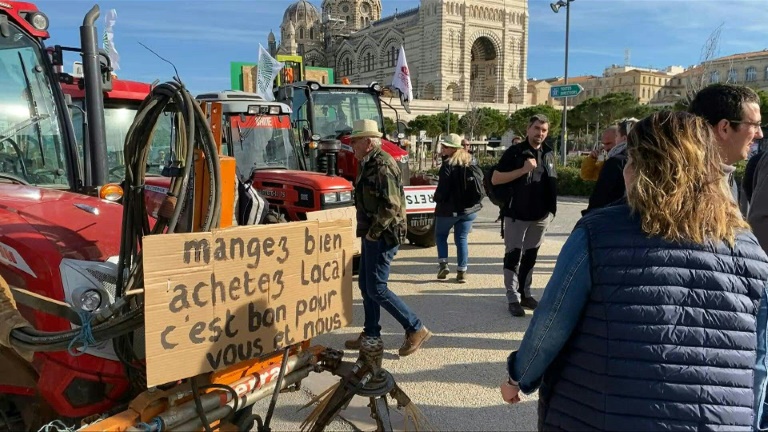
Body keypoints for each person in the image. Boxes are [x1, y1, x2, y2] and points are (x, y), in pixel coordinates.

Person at [499, 111, 768, 431]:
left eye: (630, 160)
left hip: (600, 414)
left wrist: (520, 377)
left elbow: (552, 322)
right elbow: (760, 361)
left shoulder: (597, 233)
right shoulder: (750, 249)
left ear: (641, 169)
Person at [344, 119, 432, 357]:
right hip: (373, 233)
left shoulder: (382, 165)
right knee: (365, 285)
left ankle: (415, 328)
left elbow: (391, 206)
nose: (351, 145)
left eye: (355, 141)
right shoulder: (367, 162)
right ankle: (371, 333)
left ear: (368, 142)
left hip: (383, 234)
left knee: (377, 288)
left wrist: (373, 234)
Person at [491, 114, 557, 317]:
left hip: (540, 216)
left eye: (544, 130)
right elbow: (495, 179)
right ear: (528, 129)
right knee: (513, 256)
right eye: (537, 128)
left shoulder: (548, 153)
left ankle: (525, 293)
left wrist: (551, 211)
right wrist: (523, 170)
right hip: (516, 215)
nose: (540, 133)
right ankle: (512, 298)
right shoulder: (514, 152)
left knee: (531, 257)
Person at [688, 83, 763, 205]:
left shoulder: (725, 181)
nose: (760, 134)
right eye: (755, 125)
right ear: (724, 128)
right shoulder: (684, 187)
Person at [434, 133, 482, 283]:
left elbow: (443, 190)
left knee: (440, 236)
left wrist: (436, 198)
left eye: (445, 146)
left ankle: (443, 264)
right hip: (469, 210)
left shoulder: (447, 165)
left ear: (452, 148)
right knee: (461, 238)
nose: (442, 149)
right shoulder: (471, 161)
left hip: (448, 210)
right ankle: (462, 271)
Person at [582, 119, 637, 215]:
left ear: (624, 138)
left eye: (616, 137)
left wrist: (589, 217)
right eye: (603, 144)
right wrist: (591, 159)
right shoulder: (644, 158)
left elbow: (601, 197)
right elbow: (587, 175)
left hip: (612, 216)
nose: (605, 148)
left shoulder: (616, 161)